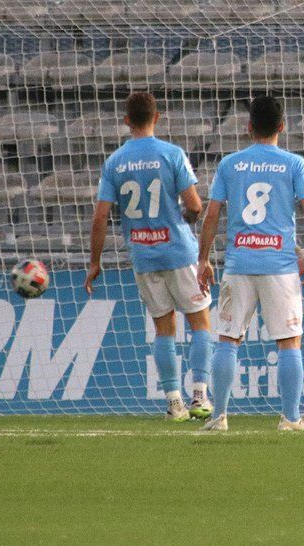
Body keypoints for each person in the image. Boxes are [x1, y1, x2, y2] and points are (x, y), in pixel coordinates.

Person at [196, 95, 304, 432]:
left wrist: (203, 259)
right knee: (289, 341)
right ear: (282, 127)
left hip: (239, 262)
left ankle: (218, 417)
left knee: (227, 339)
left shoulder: (229, 164)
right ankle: (290, 419)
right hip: (279, 265)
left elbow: (212, 215)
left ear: (248, 128)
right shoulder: (293, 164)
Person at [86, 92, 213, 421]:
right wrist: (189, 219)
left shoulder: (114, 162)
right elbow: (196, 204)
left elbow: (100, 217)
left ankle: (173, 402)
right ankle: (199, 394)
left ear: (127, 121)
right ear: (157, 118)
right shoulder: (171, 154)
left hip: (143, 255)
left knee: (163, 329)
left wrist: (95, 262)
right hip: (178, 251)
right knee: (199, 322)